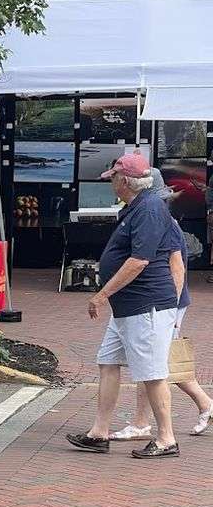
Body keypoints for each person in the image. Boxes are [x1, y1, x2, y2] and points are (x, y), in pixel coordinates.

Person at [66, 153, 182, 459]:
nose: (111, 182)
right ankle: (99, 432)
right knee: (107, 361)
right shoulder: (135, 208)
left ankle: (167, 438)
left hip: (147, 305)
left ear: (126, 181)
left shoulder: (149, 210)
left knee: (152, 373)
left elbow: (139, 261)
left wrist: (101, 294)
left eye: (114, 177)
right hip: (128, 307)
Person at [111, 221, 213, 439]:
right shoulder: (154, 222)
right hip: (157, 302)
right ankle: (204, 404)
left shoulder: (161, 224)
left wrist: (172, 311)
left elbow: (176, 267)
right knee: (154, 362)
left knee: (153, 363)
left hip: (162, 303)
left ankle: (144, 423)